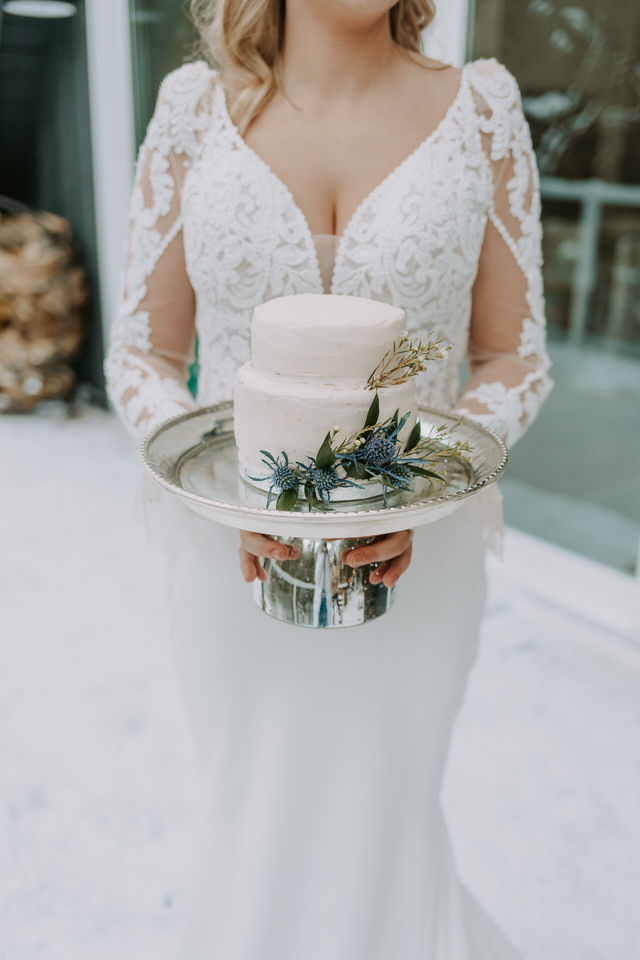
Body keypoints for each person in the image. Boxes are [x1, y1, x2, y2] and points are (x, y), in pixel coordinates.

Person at [105, 1, 552, 956]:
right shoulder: (193, 108)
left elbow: (515, 357)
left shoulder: (480, 108)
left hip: (416, 567)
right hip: (235, 564)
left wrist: (423, 484)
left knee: (382, 824)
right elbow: (143, 352)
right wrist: (215, 497)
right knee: (254, 819)